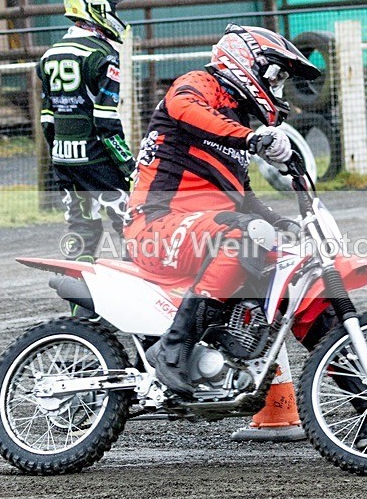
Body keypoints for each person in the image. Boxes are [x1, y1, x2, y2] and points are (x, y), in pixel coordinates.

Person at [124, 24, 320, 396]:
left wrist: (284, 223)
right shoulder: (199, 83)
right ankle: (172, 350)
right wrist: (251, 138)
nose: (277, 88)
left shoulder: (237, 120)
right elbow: (182, 105)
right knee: (244, 234)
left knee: (289, 262)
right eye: (275, 75)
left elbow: (241, 199)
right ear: (246, 61)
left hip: (205, 228)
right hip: (155, 225)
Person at [38, 0, 143, 263]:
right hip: (96, 156)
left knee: (82, 228)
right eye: (111, 5)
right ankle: (137, 298)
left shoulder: (49, 55)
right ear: (95, 6)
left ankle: (82, 307)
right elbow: (106, 120)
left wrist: (59, 153)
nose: (114, 12)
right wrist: (128, 165)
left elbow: (47, 119)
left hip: (63, 157)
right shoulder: (102, 55)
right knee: (130, 224)